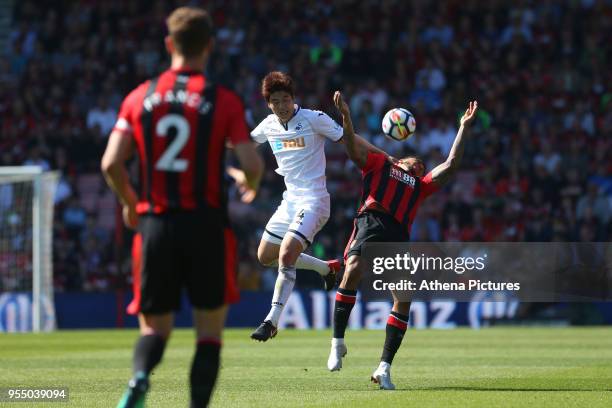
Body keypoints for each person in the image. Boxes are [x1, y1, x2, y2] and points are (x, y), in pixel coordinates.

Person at [101, 7, 263, 407]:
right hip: (207, 226)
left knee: (154, 330)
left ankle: (140, 378)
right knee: (208, 333)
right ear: (209, 46)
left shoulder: (140, 96)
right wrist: (250, 183)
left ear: (169, 44)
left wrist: (130, 202)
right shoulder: (221, 100)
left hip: (156, 224)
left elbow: (110, 163)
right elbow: (254, 165)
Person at [328, 91, 478, 389]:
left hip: (398, 235)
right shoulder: (381, 164)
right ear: (403, 158)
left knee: (404, 297)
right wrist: (346, 115)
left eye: (423, 165)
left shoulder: (420, 186)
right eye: (416, 162)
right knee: (354, 268)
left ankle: (383, 368)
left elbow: (450, 165)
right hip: (373, 220)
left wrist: (463, 127)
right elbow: (351, 146)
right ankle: (337, 342)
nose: (420, 165)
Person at [249, 72, 387, 341]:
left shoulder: (314, 118)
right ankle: (327, 268)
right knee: (265, 256)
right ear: (268, 104)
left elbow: (351, 139)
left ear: (293, 98)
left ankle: (271, 321)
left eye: (286, 100)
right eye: (276, 102)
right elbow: (243, 142)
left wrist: (387, 157)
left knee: (287, 255)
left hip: (315, 200)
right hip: (290, 200)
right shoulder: (268, 125)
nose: (282, 106)